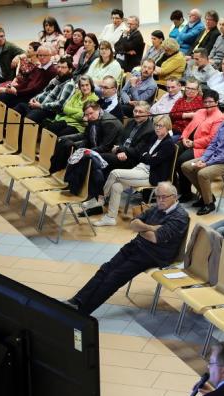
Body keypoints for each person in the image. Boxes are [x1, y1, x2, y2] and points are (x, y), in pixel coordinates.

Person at [66, 182, 189, 314]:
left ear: (174, 197)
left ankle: (83, 313)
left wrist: (141, 229)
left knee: (113, 278)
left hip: (153, 255)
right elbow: (133, 223)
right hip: (137, 245)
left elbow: (154, 238)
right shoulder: (157, 207)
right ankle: (76, 301)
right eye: (158, 196)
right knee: (105, 269)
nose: (160, 200)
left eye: (164, 197)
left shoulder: (180, 217)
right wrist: (151, 227)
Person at [93, 115, 176, 227]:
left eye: (160, 126)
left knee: (114, 173)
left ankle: (101, 197)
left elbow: (153, 161)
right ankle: (110, 218)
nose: (157, 128)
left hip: (151, 175)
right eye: (156, 125)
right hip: (141, 168)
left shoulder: (168, 144)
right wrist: (147, 156)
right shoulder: (154, 137)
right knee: (116, 186)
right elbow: (141, 154)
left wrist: (147, 156)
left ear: (167, 127)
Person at [181, 103, 224, 215]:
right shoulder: (223, 124)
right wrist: (203, 159)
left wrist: (207, 163)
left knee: (203, 173)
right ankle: (206, 196)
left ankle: (209, 204)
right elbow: (212, 144)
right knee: (186, 166)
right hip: (215, 158)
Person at [176, 90, 224, 201]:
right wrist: (184, 138)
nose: (207, 104)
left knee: (181, 161)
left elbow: (212, 139)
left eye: (210, 102)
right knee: (173, 151)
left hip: (203, 148)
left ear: (217, 102)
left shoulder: (219, 117)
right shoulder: (200, 112)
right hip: (188, 142)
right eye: (205, 102)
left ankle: (187, 193)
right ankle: (176, 187)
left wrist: (194, 143)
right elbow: (188, 127)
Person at [50, 101, 123, 172]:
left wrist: (83, 151)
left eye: (91, 113)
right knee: (64, 142)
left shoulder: (109, 123)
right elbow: (86, 136)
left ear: (98, 109)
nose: (89, 117)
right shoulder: (94, 117)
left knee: (75, 150)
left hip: (107, 152)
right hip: (94, 145)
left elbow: (105, 147)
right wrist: (66, 139)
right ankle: (57, 169)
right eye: (87, 115)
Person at [14, 56, 75, 127]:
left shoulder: (69, 84)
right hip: (38, 105)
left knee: (27, 120)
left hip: (48, 111)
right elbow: (43, 91)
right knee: (19, 108)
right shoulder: (56, 79)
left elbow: (60, 105)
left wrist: (40, 106)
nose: (60, 70)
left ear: (70, 70)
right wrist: (33, 99)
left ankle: (18, 133)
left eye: (63, 67)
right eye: (58, 67)